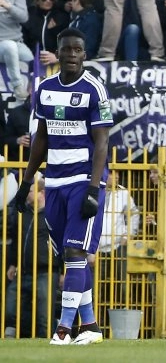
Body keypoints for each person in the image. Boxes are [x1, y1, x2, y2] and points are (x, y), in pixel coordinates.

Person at [10, 27, 112, 345]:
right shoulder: (45, 88)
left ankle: (64, 329)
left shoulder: (95, 89)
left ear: (84, 54)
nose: (71, 55)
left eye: (77, 50)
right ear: (58, 51)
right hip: (53, 181)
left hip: (83, 179)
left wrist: (95, 188)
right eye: (66, 49)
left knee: (74, 250)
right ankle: (92, 326)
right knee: (69, 258)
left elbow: (102, 142)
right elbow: (41, 138)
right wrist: (26, 182)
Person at [4, 177, 61, 338]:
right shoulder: (22, 213)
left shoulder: (53, 215)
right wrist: (13, 264)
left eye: (29, 191)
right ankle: (19, 336)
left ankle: (46, 343)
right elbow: (16, 240)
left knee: (44, 315)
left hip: (46, 271)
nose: (25, 195)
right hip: (23, 271)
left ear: (41, 193)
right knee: (10, 308)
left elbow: (61, 244)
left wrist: (63, 270)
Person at [97, 169, 139, 327]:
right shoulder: (94, 190)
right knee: (96, 290)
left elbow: (134, 214)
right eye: (111, 173)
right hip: (97, 249)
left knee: (122, 287)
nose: (115, 176)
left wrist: (129, 235)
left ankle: (122, 326)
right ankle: (96, 325)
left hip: (118, 248)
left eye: (117, 174)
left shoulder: (123, 193)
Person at [0, 0, 30, 99]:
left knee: (31, 60)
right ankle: (18, 87)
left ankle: (33, 96)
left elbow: (24, 17)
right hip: (4, 44)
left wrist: (7, 6)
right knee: (9, 46)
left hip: (17, 42)